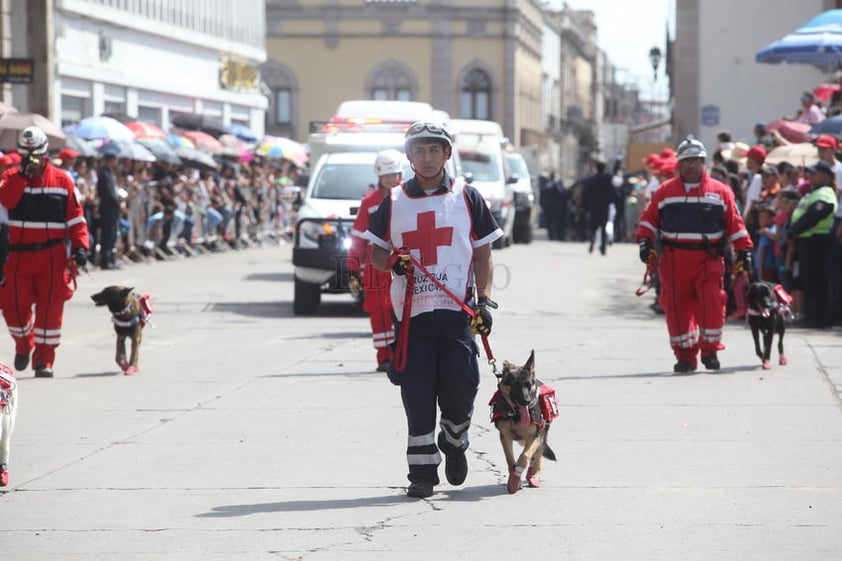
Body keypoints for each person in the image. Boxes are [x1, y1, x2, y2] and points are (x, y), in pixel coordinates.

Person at [364, 121, 502, 498]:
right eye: (419, 151)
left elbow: (483, 251)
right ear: (409, 157)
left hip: (457, 311)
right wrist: (394, 260)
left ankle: (455, 440)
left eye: (434, 150)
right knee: (417, 393)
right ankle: (421, 473)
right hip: (411, 318)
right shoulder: (392, 202)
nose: (427, 158)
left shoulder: (467, 196)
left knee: (463, 386)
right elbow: (375, 254)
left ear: (447, 154)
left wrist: (485, 301)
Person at [636, 136, 753, 373]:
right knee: (677, 309)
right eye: (687, 160)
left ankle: (710, 351)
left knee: (712, 306)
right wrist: (645, 243)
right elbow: (648, 221)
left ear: (704, 162)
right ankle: (686, 357)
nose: (692, 165)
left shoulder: (721, 192)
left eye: (696, 160)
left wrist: (744, 251)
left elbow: (735, 224)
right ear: (680, 163)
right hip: (674, 261)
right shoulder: (664, 191)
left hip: (708, 260)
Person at [0, 126, 89, 378]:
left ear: (45, 153)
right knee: (13, 308)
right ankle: (24, 343)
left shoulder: (62, 180)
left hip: (52, 256)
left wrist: (81, 246)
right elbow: (6, 201)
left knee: (50, 312)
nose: (33, 161)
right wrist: (21, 177)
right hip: (18, 256)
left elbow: (76, 217)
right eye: (27, 156)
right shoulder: (10, 179)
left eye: (36, 155)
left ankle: (44, 360)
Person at [347, 149, 403, 372]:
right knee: (378, 311)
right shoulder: (369, 202)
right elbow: (358, 238)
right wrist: (352, 268)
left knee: (403, 310)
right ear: (378, 176)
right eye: (386, 175)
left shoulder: (408, 197)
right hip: (375, 265)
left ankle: (402, 355)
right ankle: (384, 357)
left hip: (403, 262)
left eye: (394, 174)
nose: (390, 179)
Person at [787, 160, 838, 328]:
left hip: (817, 240)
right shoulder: (812, 191)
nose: (810, 176)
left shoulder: (825, 192)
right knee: (809, 280)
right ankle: (812, 315)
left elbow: (816, 213)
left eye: (814, 173)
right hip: (807, 240)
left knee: (817, 280)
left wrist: (794, 230)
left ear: (824, 176)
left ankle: (819, 318)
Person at [581, 158, 617, 255]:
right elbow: (613, 192)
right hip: (604, 207)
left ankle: (592, 240)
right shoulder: (607, 180)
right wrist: (610, 201)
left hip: (593, 207)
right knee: (603, 227)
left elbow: (585, 193)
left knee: (593, 227)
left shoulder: (591, 180)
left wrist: (585, 206)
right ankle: (603, 247)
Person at [96, 152, 122, 270]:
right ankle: (105, 260)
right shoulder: (103, 173)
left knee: (113, 235)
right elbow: (107, 193)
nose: (116, 162)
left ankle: (111, 258)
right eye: (115, 160)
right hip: (107, 207)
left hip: (114, 208)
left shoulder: (111, 173)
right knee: (107, 234)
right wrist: (116, 202)